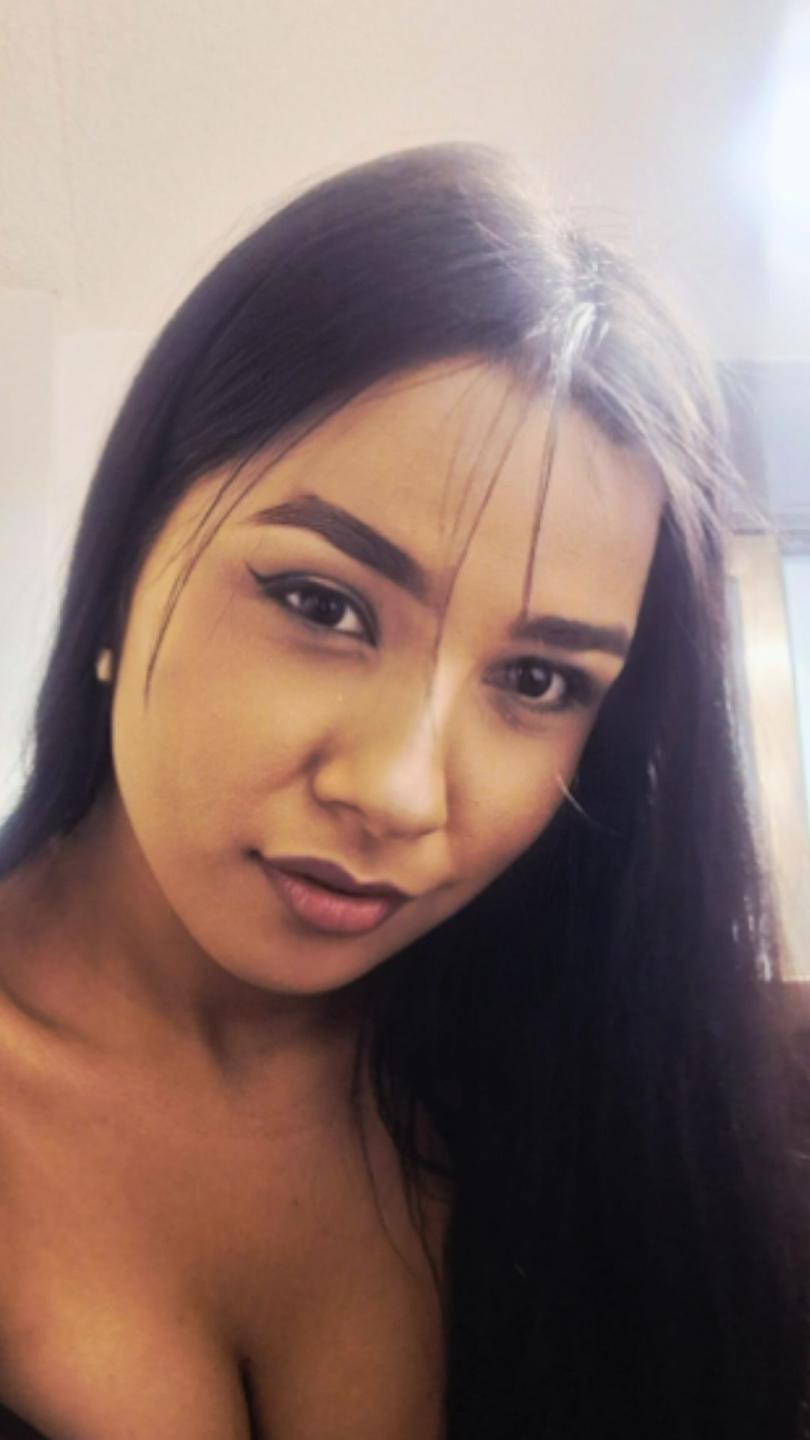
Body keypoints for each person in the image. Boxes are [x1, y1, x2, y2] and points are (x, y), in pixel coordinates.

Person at [0, 141, 806, 1440]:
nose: (399, 792)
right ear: (120, 572)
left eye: (538, 681)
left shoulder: (586, 1084)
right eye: (321, 604)